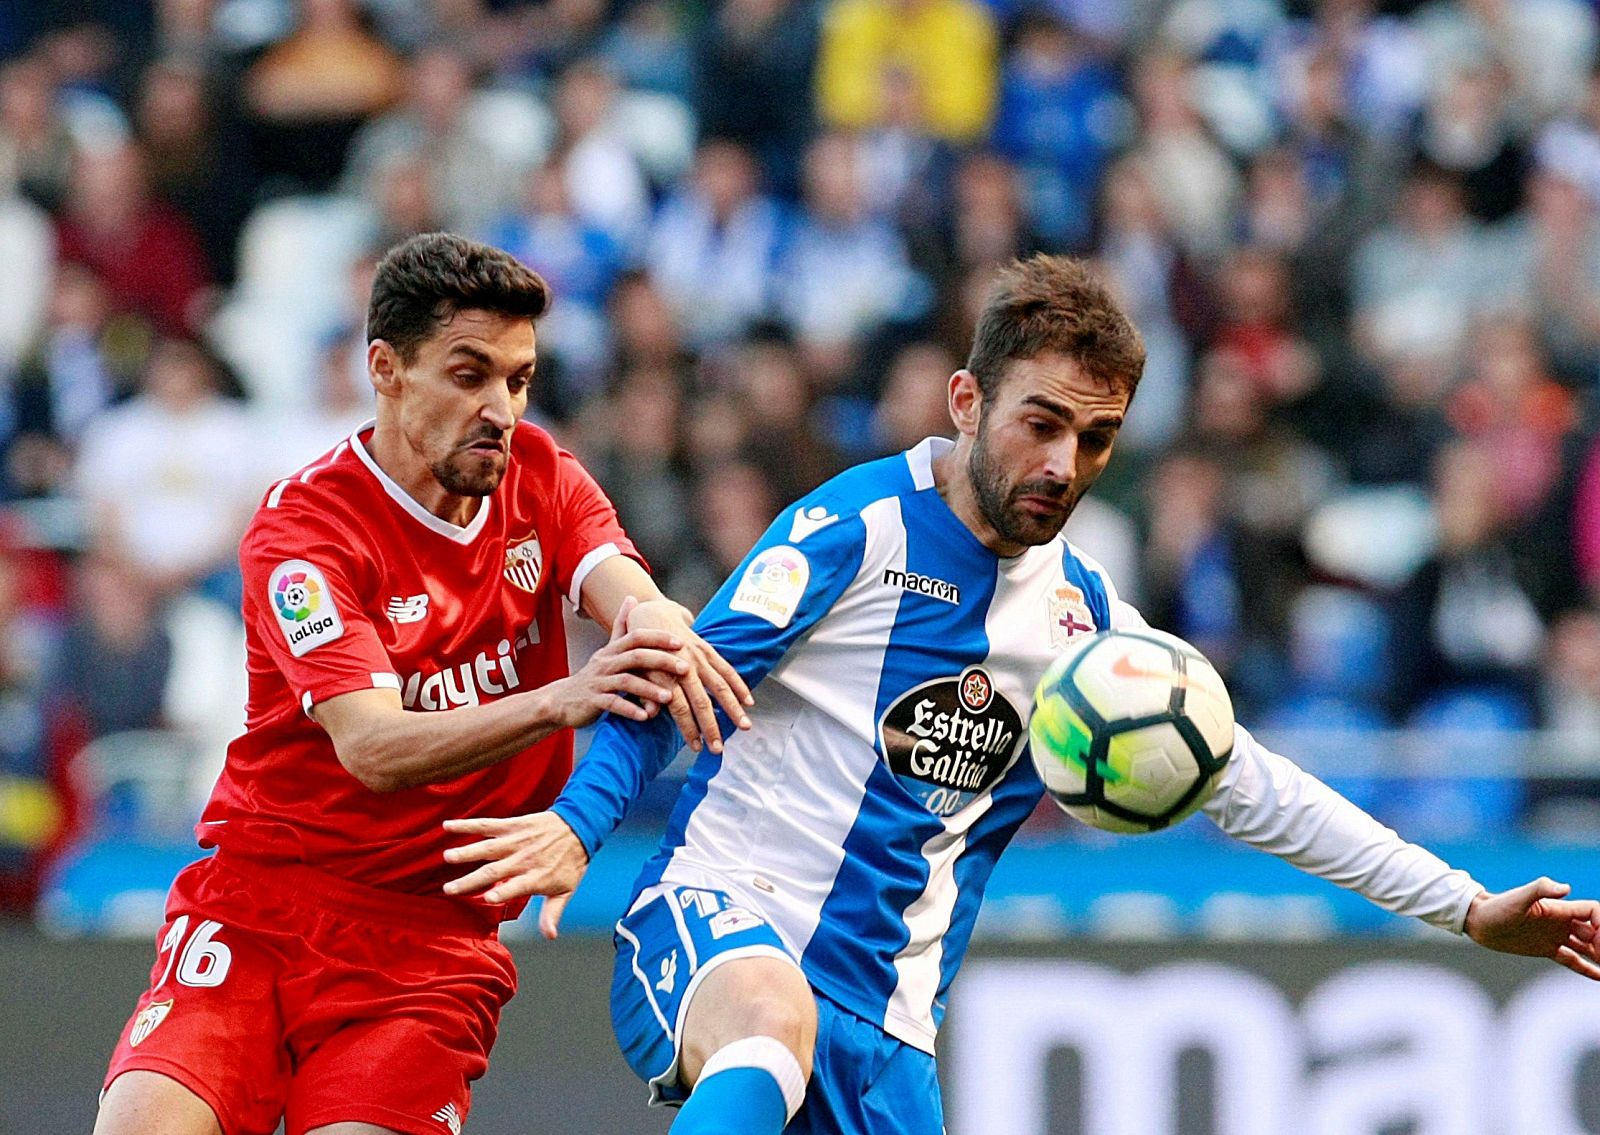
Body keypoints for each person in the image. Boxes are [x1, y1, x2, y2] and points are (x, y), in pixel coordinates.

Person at [444, 255, 1600, 1135]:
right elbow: (667, 691)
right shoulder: (850, 533)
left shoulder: (1090, 630)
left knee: (807, 1033)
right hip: (717, 929)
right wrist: (574, 826)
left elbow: (1254, 786)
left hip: (889, 1031)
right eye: (1041, 423)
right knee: (771, 1023)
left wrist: (1464, 904)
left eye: (1096, 440)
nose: (1063, 464)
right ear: (965, 399)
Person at [94, 232, 752, 1135]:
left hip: (431, 942)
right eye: (469, 373)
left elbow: (633, 600)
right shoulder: (306, 534)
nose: (501, 408)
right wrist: (564, 698)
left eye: (518, 380)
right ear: (387, 369)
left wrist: (656, 622)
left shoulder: (543, 479)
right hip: (263, 904)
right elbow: (371, 743)